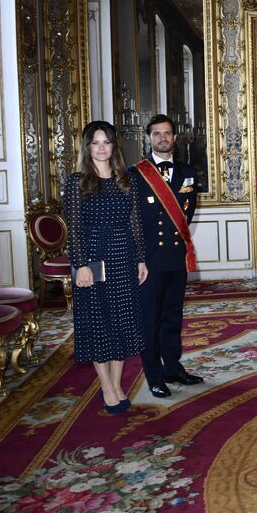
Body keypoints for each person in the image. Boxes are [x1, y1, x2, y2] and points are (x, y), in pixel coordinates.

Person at [64, 120, 148, 415]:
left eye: (106, 142)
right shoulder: (77, 182)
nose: (101, 148)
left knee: (122, 323)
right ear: (87, 148)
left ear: (114, 146)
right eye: (95, 142)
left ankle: (116, 383)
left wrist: (141, 259)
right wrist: (80, 266)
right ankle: (106, 386)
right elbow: (73, 229)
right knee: (99, 324)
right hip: (93, 259)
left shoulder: (128, 180)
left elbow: (135, 223)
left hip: (123, 257)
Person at [130, 114, 200, 399]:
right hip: (149, 260)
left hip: (176, 257)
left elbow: (188, 213)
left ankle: (173, 367)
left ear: (174, 137)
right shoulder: (135, 174)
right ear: (148, 137)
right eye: (157, 133)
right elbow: (132, 219)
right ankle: (154, 375)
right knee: (151, 320)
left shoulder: (188, 172)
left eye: (167, 133)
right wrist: (139, 257)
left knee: (173, 316)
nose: (162, 138)